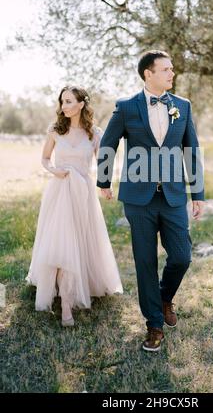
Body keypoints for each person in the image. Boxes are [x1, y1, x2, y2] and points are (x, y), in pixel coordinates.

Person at [97, 50, 204, 351]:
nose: (172, 74)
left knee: (182, 256)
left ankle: (164, 296)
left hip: (172, 196)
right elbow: (108, 143)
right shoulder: (127, 106)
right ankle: (154, 324)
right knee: (145, 262)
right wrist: (104, 181)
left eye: (172, 69)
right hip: (138, 199)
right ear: (148, 73)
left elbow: (191, 150)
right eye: (166, 69)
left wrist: (198, 193)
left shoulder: (182, 106)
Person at [26, 86, 123, 327]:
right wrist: (54, 170)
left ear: (81, 104)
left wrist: (105, 185)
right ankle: (66, 305)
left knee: (79, 240)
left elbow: (104, 161)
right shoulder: (55, 130)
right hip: (59, 192)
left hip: (83, 193)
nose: (64, 106)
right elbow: (45, 158)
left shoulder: (94, 133)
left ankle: (76, 287)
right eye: (62, 102)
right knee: (61, 242)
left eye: (69, 101)